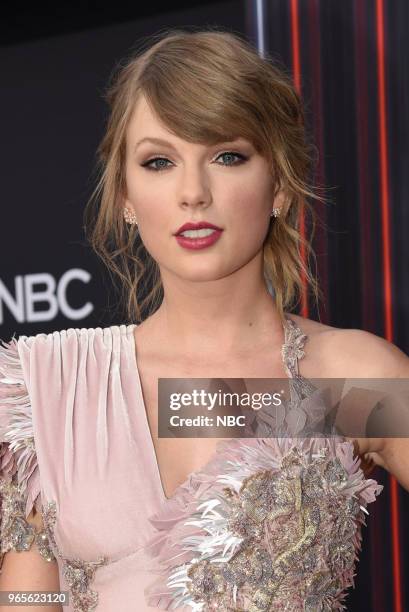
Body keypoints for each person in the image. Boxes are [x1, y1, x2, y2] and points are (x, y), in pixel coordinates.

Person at [1, 27, 408, 612]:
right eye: (159, 161)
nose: (193, 192)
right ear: (125, 196)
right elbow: (23, 595)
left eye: (227, 156)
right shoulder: (52, 386)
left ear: (279, 185)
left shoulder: (348, 381)